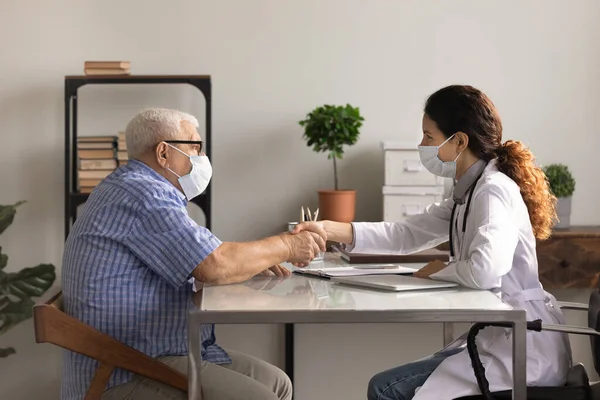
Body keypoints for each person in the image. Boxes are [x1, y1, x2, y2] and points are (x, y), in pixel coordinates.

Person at [292, 85, 572, 400]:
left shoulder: (492, 190)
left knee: (385, 389)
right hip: (500, 336)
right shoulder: (468, 193)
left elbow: (485, 272)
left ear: (460, 141)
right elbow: (404, 234)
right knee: (388, 385)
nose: (421, 145)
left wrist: (440, 269)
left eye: (429, 137)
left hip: (520, 348)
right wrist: (328, 229)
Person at [61, 108, 326, 400]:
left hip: (153, 350)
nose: (201, 158)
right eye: (193, 147)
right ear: (163, 153)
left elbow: (207, 256)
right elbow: (214, 265)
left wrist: (254, 261)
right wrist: (288, 246)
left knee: (277, 384)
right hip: (126, 367)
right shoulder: (144, 193)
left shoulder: (135, 187)